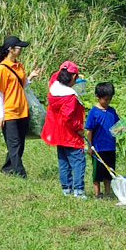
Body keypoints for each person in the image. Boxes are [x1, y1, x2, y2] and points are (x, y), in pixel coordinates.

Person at [40, 61, 86, 196]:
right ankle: (78, 189)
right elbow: (68, 116)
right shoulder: (69, 97)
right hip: (70, 134)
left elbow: (54, 76)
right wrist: (78, 128)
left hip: (58, 133)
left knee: (63, 161)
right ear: (72, 77)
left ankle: (66, 189)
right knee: (78, 161)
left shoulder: (54, 89)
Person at [0, 36, 31, 178]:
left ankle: (7, 168)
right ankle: (20, 173)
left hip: (22, 110)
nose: (21, 49)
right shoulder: (2, 69)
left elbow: (22, 84)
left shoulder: (19, 65)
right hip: (9, 111)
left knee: (20, 143)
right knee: (14, 144)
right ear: (11, 49)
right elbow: (0, 93)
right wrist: (0, 115)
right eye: (19, 47)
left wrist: (31, 77)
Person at [84, 80, 121, 198]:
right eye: (105, 99)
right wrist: (90, 146)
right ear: (97, 97)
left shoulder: (111, 111)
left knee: (109, 171)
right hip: (98, 148)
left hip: (110, 147)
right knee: (98, 172)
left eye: (109, 99)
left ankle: (107, 192)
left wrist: (121, 130)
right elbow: (89, 130)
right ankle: (97, 193)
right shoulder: (93, 112)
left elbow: (117, 126)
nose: (107, 102)